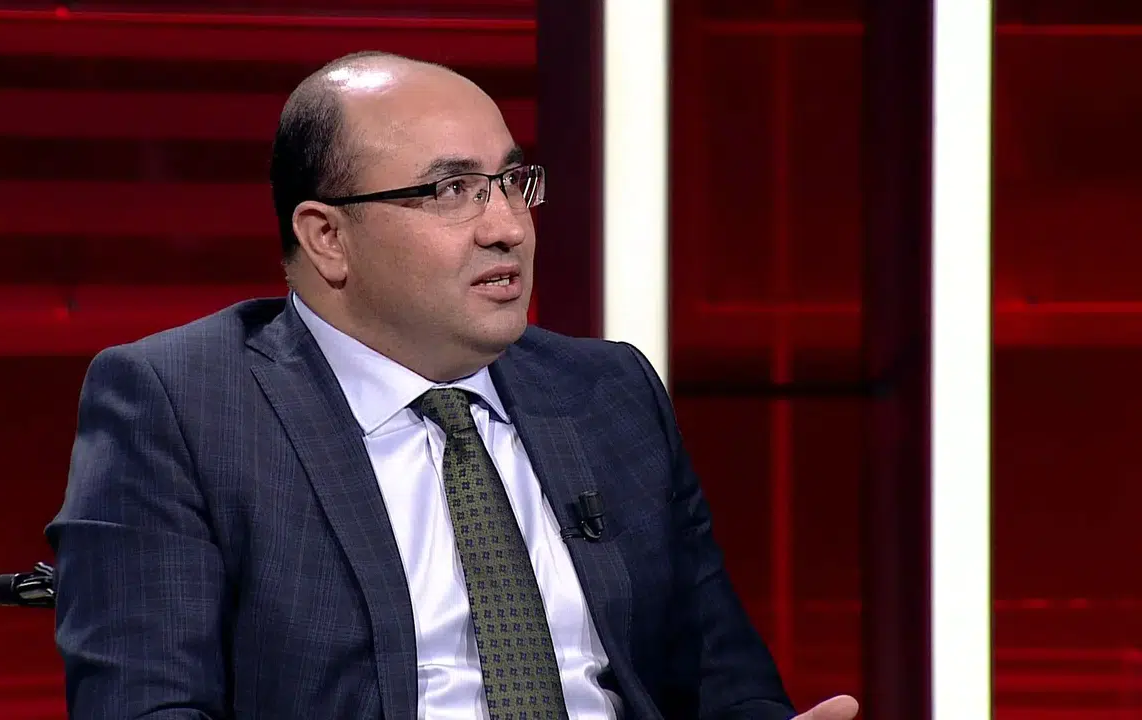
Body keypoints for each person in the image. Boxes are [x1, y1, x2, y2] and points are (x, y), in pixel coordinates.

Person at [46, 51, 860, 720]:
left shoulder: (608, 392)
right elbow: (146, 706)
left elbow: (723, 683)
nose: (507, 226)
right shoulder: (183, 405)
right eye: (452, 191)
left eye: (512, 182)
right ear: (327, 237)